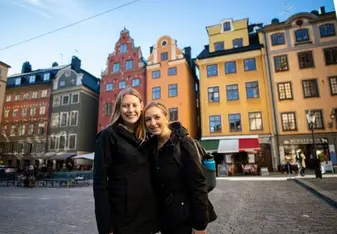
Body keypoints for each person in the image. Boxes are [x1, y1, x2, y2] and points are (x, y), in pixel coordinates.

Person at [143, 102, 217, 234]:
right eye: (148, 119)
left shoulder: (183, 143)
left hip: (187, 219)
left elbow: (198, 184)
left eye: (157, 117)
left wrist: (200, 225)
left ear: (166, 117)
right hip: (167, 219)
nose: (152, 123)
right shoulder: (151, 146)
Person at [93, 88, 159, 234]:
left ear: (141, 106)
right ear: (119, 108)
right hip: (122, 218)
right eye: (125, 106)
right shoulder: (108, 135)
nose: (131, 110)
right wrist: (105, 227)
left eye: (134, 105)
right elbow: (100, 182)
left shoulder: (148, 135)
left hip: (148, 216)